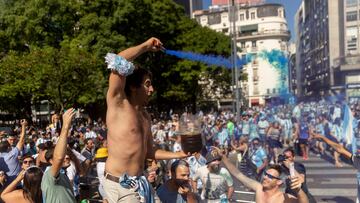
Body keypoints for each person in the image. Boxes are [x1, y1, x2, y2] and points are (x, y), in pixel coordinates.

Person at [104, 37, 190, 203]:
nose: (152, 89)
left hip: (141, 182)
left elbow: (150, 152)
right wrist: (145, 46)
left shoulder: (145, 116)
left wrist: (179, 154)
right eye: (147, 84)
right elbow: (118, 60)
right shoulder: (118, 104)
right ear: (133, 87)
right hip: (120, 186)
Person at [213, 147, 309, 203]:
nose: (266, 177)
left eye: (270, 177)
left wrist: (299, 191)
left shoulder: (283, 198)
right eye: (266, 174)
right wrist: (223, 158)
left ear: (279, 182)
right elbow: (238, 174)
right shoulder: (259, 188)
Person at [41, 108, 77, 203]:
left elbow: (82, 171)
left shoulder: (63, 174)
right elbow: (59, 158)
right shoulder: (49, 174)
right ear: (51, 161)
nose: (65, 157)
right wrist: (65, 126)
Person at [0, 119, 27, 183]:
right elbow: (22, 139)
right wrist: (23, 126)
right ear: (7, 139)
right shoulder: (13, 153)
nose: (12, 141)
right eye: (10, 139)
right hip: (15, 183)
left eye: (14, 139)